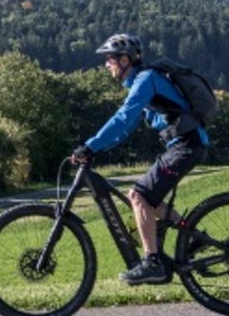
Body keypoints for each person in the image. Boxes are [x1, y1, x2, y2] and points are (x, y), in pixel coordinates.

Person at [70, 32, 211, 285]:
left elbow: (123, 117)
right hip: (184, 145)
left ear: (125, 60)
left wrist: (90, 146)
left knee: (138, 196)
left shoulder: (146, 80)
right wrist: (96, 150)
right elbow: (125, 128)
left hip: (187, 145)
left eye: (110, 59)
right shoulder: (144, 82)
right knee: (149, 200)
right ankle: (193, 238)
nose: (106, 64)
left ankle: (153, 262)